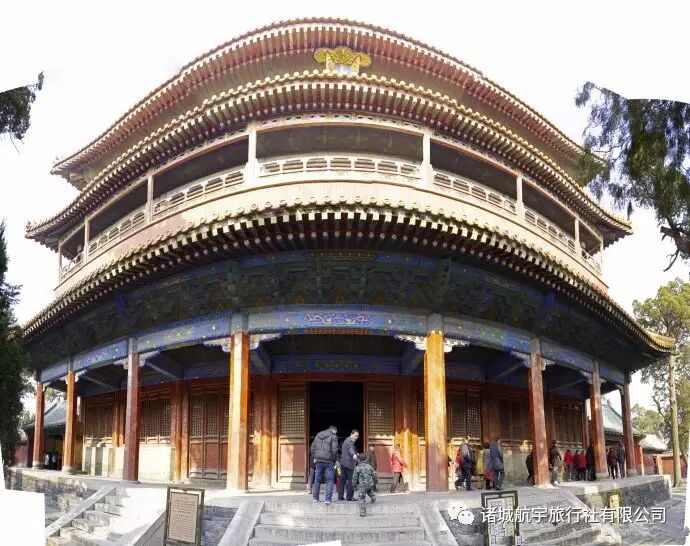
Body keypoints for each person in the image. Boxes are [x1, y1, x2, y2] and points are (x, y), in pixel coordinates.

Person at [311, 425, 339, 504]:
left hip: (319, 461)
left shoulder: (318, 435)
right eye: (336, 432)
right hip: (329, 461)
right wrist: (334, 460)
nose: (336, 433)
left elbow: (312, 448)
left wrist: (315, 457)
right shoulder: (333, 436)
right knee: (330, 480)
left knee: (317, 479)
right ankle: (327, 499)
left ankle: (315, 498)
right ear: (333, 430)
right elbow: (334, 450)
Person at [352, 452, 377, 517]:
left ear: (358, 460)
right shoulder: (369, 466)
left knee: (361, 497)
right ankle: (373, 497)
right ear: (366, 459)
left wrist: (354, 486)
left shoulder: (357, 468)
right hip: (370, 483)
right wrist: (375, 481)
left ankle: (363, 513)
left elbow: (354, 478)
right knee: (369, 490)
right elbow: (374, 474)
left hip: (363, 484)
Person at [338, 429, 360, 501]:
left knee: (342, 481)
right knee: (351, 481)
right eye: (355, 435)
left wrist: (355, 454)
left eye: (357, 436)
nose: (356, 437)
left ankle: (340, 496)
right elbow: (351, 449)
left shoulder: (346, 440)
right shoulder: (350, 441)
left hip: (343, 463)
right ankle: (349, 497)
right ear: (352, 434)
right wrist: (354, 454)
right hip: (349, 464)